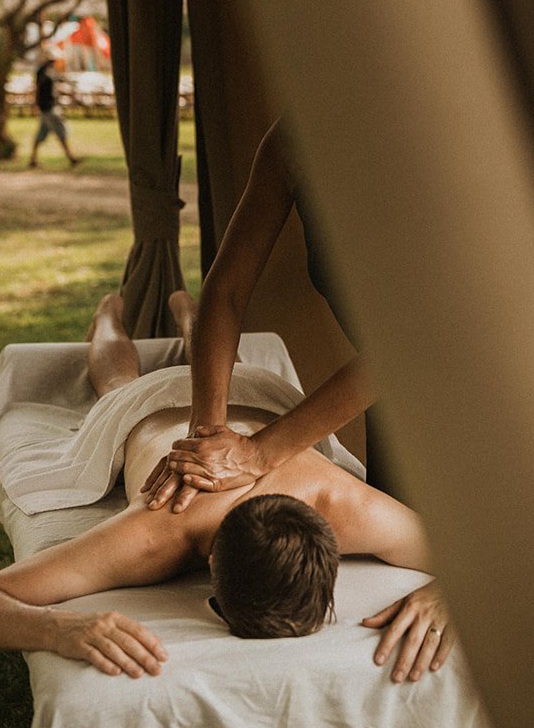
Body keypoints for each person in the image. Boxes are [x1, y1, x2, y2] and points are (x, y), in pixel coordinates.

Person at [0, 293, 455, 683]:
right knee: (115, 387)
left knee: (229, 368)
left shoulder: (345, 505)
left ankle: (188, 313)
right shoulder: (158, 531)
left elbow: (481, 564)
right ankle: (108, 316)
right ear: (208, 565)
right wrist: (60, 629)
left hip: (264, 400)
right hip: (150, 406)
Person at [141, 119, 387, 514]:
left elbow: (414, 345)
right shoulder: (294, 141)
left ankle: (135, 312)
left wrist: (257, 453)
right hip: (397, 409)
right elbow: (226, 292)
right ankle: (179, 306)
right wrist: (205, 435)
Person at [27, 48, 78, 168]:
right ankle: (71, 157)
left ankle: (33, 159)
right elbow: (37, 89)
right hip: (47, 107)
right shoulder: (42, 72)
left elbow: (56, 85)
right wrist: (35, 104)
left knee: (41, 133)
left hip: (51, 105)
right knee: (60, 131)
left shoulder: (52, 70)